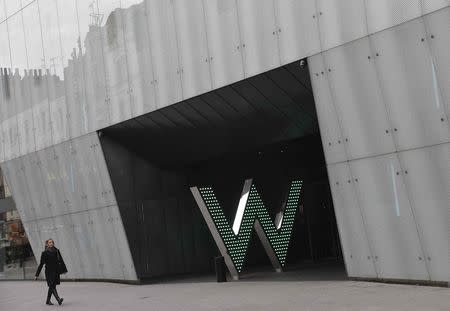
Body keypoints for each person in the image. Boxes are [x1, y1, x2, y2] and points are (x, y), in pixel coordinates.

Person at [34, 239, 67, 305]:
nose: (51, 243)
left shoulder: (57, 251)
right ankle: (58, 299)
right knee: (52, 285)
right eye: (49, 242)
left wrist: (64, 270)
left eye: (52, 242)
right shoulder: (44, 253)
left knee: (52, 286)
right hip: (49, 272)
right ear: (47, 244)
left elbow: (61, 260)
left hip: (56, 271)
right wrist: (36, 275)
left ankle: (47, 301)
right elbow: (41, 264)